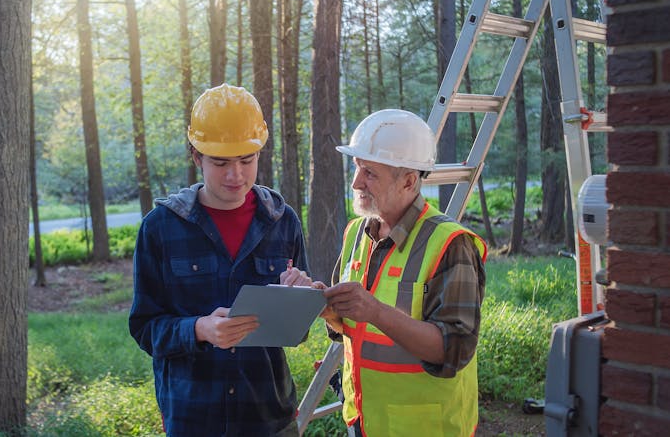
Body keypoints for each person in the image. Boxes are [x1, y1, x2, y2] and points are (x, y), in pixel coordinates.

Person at [129, 84, 312, 437]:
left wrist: (301, 299)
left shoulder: (282, 221)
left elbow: (298, 333)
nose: (236, 175)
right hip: (194, 418)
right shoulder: (160, 229)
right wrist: (199, 329)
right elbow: (144, 328)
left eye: (247, 161)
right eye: (221, 162)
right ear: (197, 156)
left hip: (269, 417)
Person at [319, 109, 487, 437]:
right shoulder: (356, 233)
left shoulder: (450, 244)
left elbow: (455, 350)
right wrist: (322, 306)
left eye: (370, 173)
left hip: (424, 428)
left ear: (409, 180)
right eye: (356, 168)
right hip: (362, 421)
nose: (356, 182)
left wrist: (375, 311)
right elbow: (349, 329)